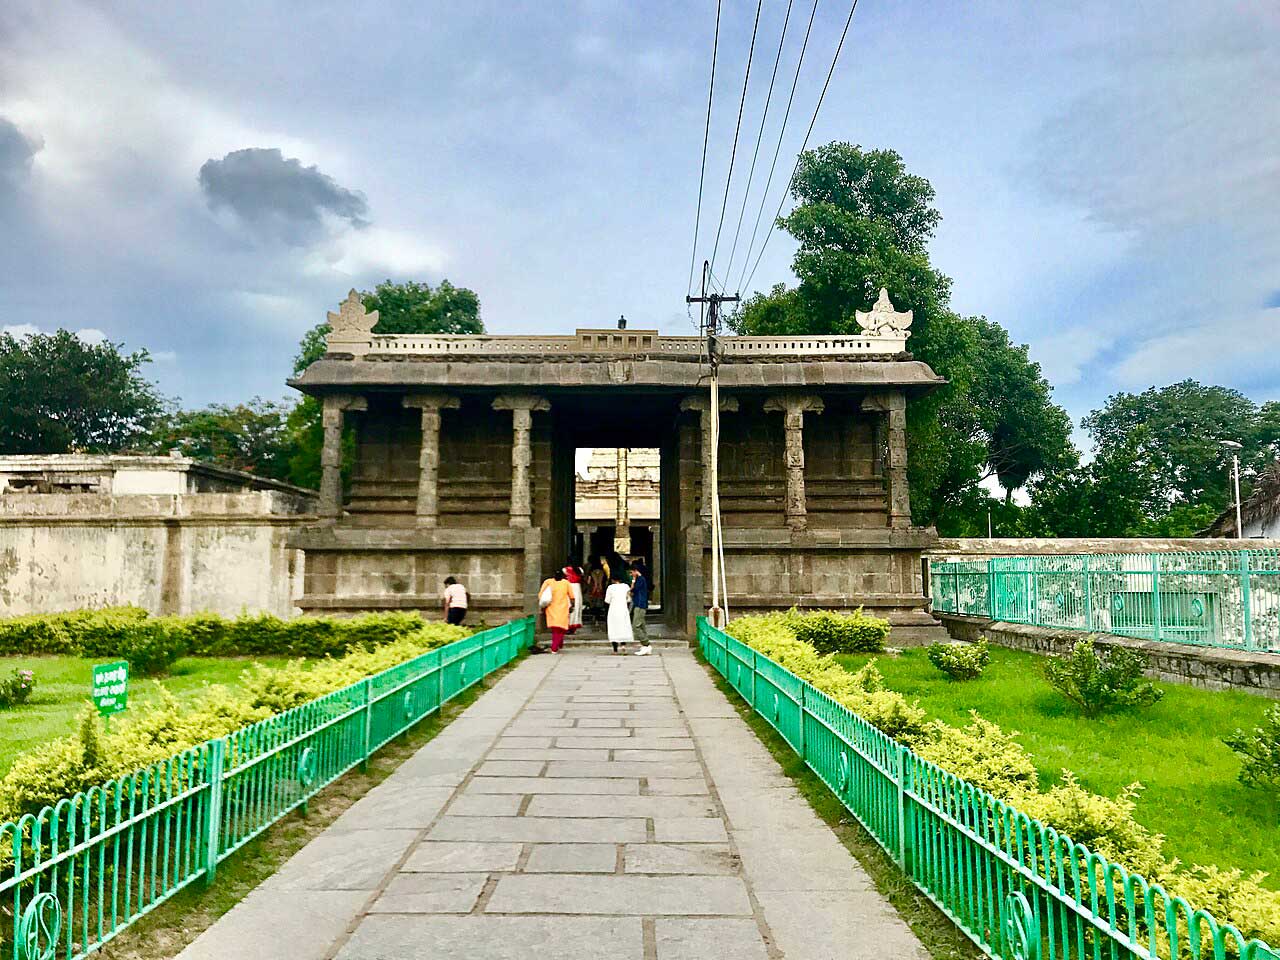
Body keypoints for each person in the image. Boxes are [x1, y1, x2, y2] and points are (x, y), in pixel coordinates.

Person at [538, 568, 575, 653]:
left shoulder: (548, 582)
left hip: (552, 608)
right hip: (563, 608)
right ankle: (554, 647)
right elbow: (572, 596)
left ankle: (558, 644)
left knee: (555, 629)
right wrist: (572, 606)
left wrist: (542, 605)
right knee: (561, 628)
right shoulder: (566, 583)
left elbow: (541, 594)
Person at [604, 572, 633, 654]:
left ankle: (615, 650)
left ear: (612, 580)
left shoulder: (610, 587)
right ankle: (623, 646)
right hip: (623, 609)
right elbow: (629, 599)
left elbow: (607, 600)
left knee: (613, 628)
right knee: (623, 626)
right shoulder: (626, 586)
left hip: (613, 609)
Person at [629, 562, 651, 655]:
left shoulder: (640, 579)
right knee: (641, 625)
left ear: (635, 571)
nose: (631, 574)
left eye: (631, 572)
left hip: (640, 604)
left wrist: (633, 580)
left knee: (636, 626)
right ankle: (645, 646)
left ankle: (646, 643)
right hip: (639, 604)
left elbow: (633, 589)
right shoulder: (641, 579)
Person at [564, 558, 584, 634]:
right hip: (577, 588)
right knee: (577, 606)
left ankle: (568, 625)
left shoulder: (565, 570)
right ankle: (574, 625)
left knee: (569, 605)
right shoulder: (580, 570)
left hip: (569, 587)